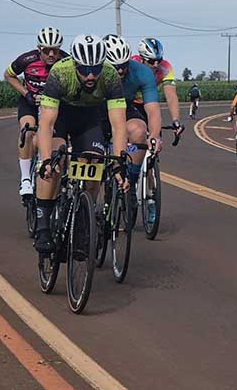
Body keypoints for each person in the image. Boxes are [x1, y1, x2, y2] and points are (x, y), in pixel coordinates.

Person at [33, 34, 129, 255]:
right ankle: (43, 225)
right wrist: (45, 160)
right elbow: (46, 124)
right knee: (55, 160)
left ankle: (84, 218)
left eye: (95, 69)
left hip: (90, 118)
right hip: (61, 115)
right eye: (85, 70)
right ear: (75, 64)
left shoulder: (110, 76)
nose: (91, 75)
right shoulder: (60, 73)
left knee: (93, 161)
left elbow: (118, 126)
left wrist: (118, 164)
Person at [3, 27, 66, 197]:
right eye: (46, 50)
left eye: (55, 50)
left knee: (55, 136)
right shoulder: (26, 59)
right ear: (39, 49)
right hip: (30, 102)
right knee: (28, 130)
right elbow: (8, 75)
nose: (51, 54)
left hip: (54, 105)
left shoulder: (65, 61)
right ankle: (25, 178)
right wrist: (26, 93)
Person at [102, 34, 163, 200]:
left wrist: (154, 136)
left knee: (139, 131)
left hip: (124, 107)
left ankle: (132, 184)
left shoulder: (142, 72)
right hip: (97, 109)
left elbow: (153, 109)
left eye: (124, 65)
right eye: (115, 66)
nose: (120, 70)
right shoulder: (94, 72)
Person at [130, 37, 181, 133]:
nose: (156, 65)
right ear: (142, 59)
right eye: (151, 61)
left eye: (159, 60)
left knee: (156, 134)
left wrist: (176, 120)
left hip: (150, 103)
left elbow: (171, 96)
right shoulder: (132, 65)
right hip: (131, 103)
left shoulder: (166, 68)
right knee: (137, 132)